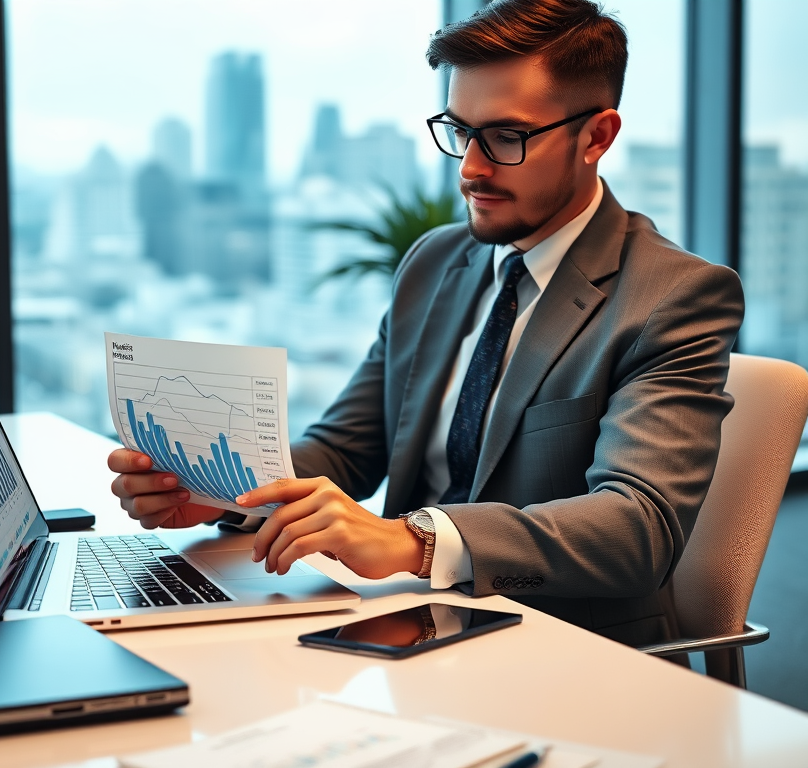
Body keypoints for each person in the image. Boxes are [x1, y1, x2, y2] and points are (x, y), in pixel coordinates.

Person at [108, 0, 744, 647]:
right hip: (403, 626)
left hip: (568, 647)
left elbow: (637, 527)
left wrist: (412, 541)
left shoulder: (674, 296)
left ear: (597, 137)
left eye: (506, 137)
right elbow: (348, 447)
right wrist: (221, 492)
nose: (470, 167)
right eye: (459, 130)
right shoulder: (435, 262)